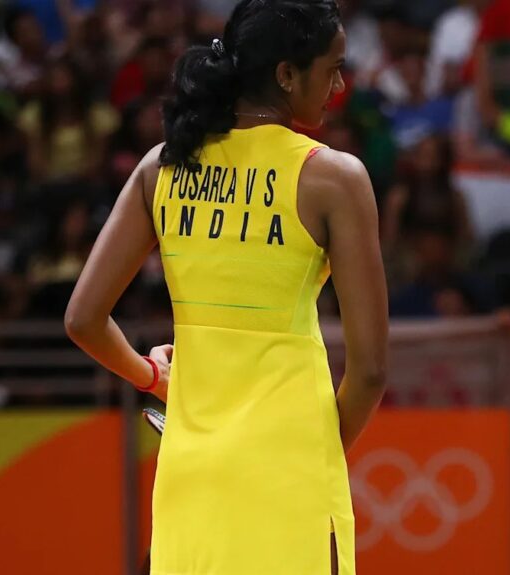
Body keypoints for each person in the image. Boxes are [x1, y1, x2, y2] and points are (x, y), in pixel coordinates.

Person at [64, 2, 388, 574]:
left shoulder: (160, 168)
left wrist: (151, 376)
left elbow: (83, 320)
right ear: (287, 75)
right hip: (291, 471)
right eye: (333, 68)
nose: (341, 85)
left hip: (190, 473)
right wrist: (317, 458)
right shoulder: (334, 178)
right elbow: (368, 371)